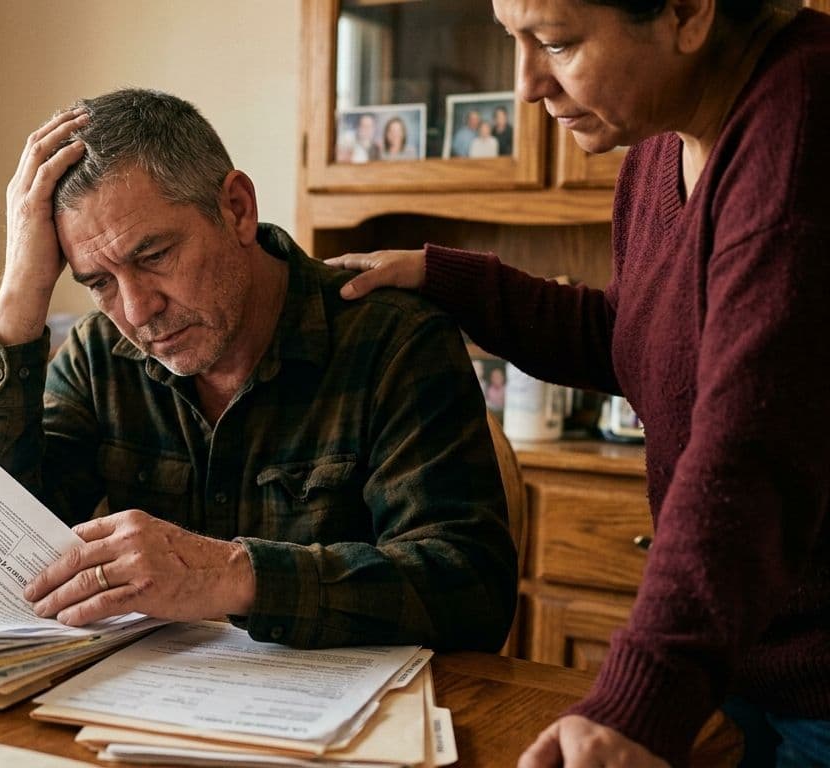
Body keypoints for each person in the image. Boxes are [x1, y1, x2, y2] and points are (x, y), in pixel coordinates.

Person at [327, 1, 830, 765]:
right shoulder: (665, 144)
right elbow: (631, 338)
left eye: (556, 43)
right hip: (748, 655)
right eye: (511, 41)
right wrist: (445, 277)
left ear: (689, 12)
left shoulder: (803, 125)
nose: (525, 84)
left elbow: (750, 450)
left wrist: (642, 699)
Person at [0, 88, 517, 652]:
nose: (137, 311)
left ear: (237, 209)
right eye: (100, 283)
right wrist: (20, 293)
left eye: (155, 256)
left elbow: (472, 592)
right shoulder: (98, 357)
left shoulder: (394, 341)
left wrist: (232, 576)